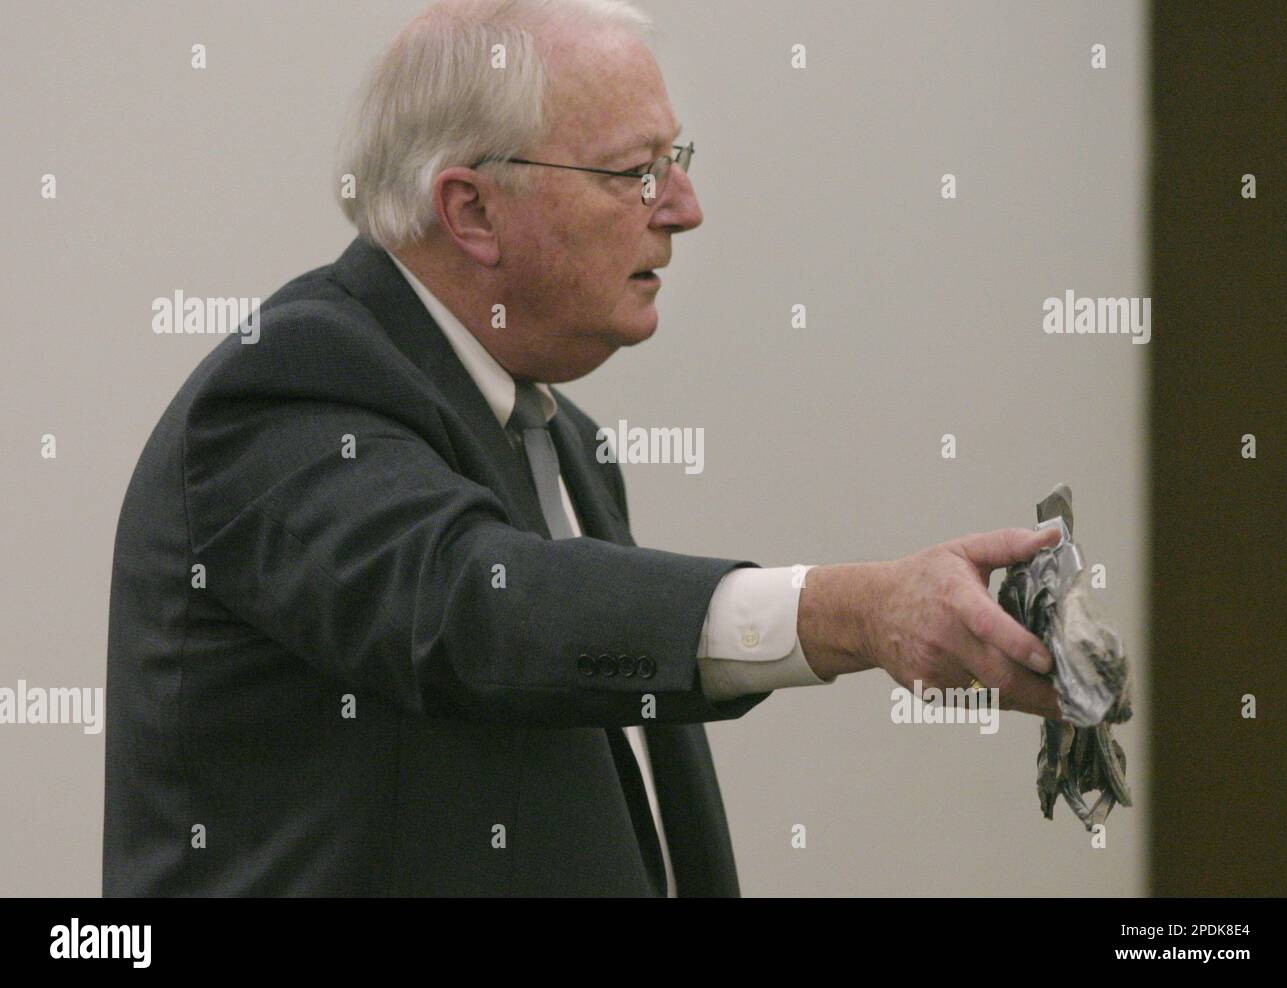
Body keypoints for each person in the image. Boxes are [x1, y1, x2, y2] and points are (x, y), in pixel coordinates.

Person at [102, 0, 1062, 897]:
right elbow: (480, 611)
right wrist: (856, 613)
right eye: (632, 171)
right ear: (471, 210)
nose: (682, 207)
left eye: (675, 159)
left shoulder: (564, 440)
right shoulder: (291, 382)